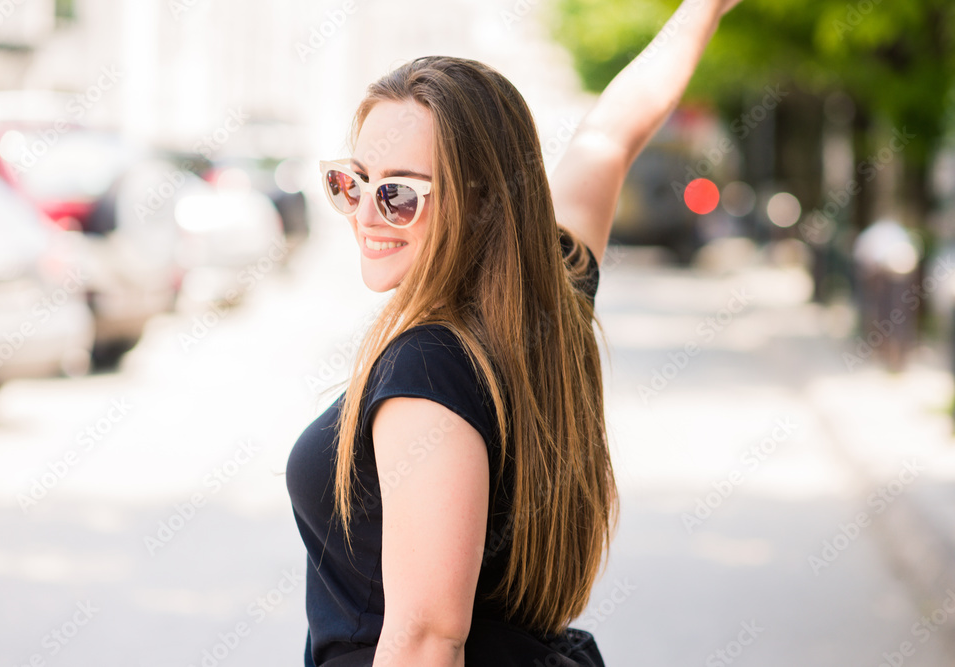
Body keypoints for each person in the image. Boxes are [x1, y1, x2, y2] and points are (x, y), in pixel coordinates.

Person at [286, 1, 743, 664]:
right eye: (353, 182)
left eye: (399, 193)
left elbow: (424, 638)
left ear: (477, 203)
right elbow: (612, 135)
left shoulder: (427, 368)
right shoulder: (546, 301)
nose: (366, 213)